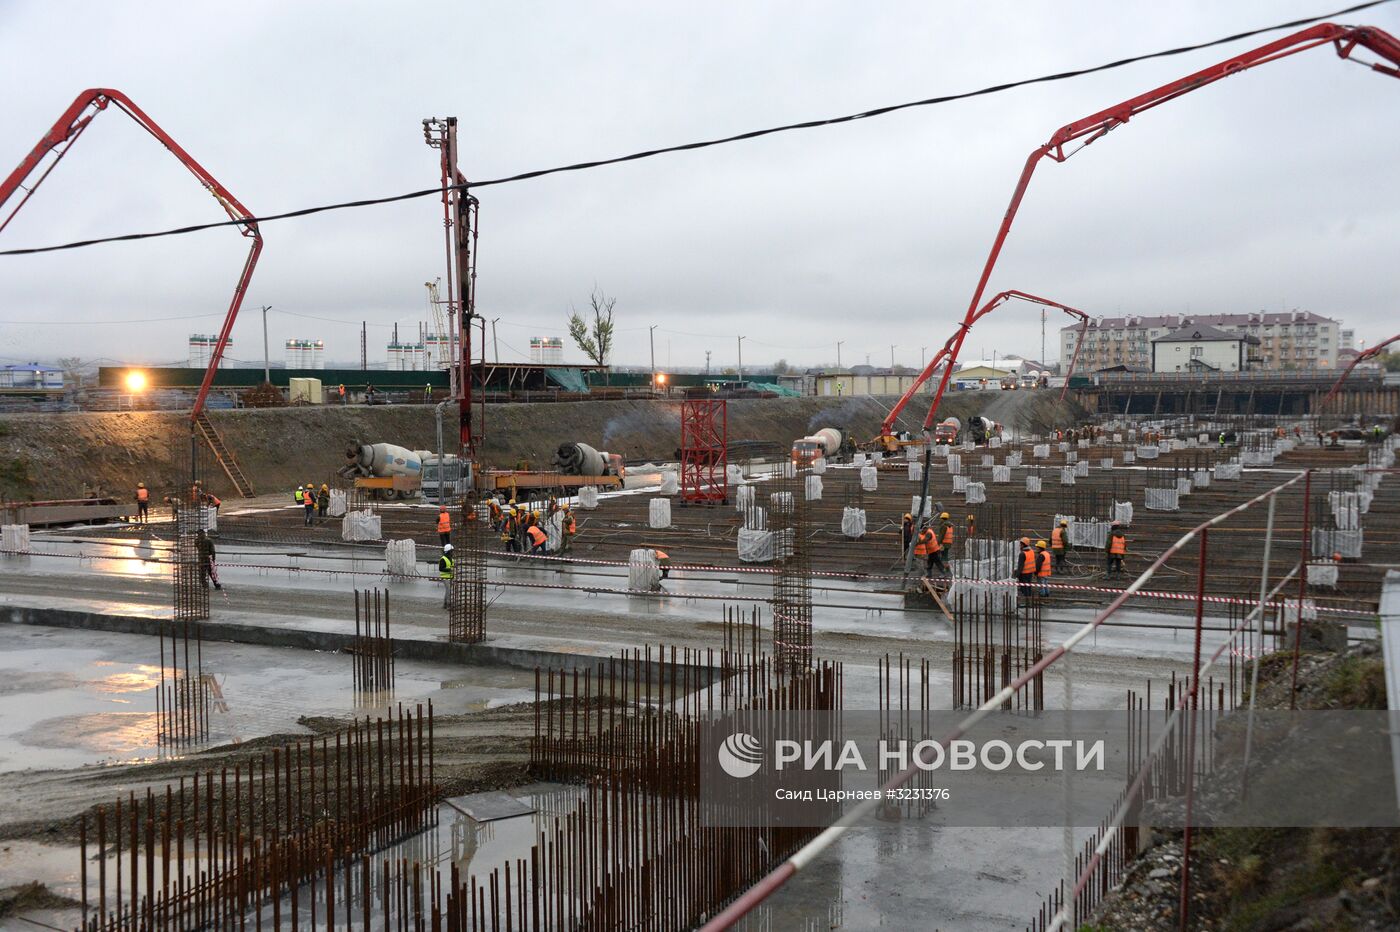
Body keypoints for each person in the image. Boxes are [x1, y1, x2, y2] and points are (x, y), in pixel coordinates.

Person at [438, 543, 454, 607]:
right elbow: (441, 568)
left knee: (448, 590)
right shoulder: (443, 559)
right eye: (451, 551)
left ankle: (445, 604)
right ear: (448, 551)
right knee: (449, 590)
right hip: (444, 577)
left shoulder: (452, 559)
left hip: (450, 577)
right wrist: (449, 570)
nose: (452, 552)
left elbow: (452, 567)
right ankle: (448, 604)